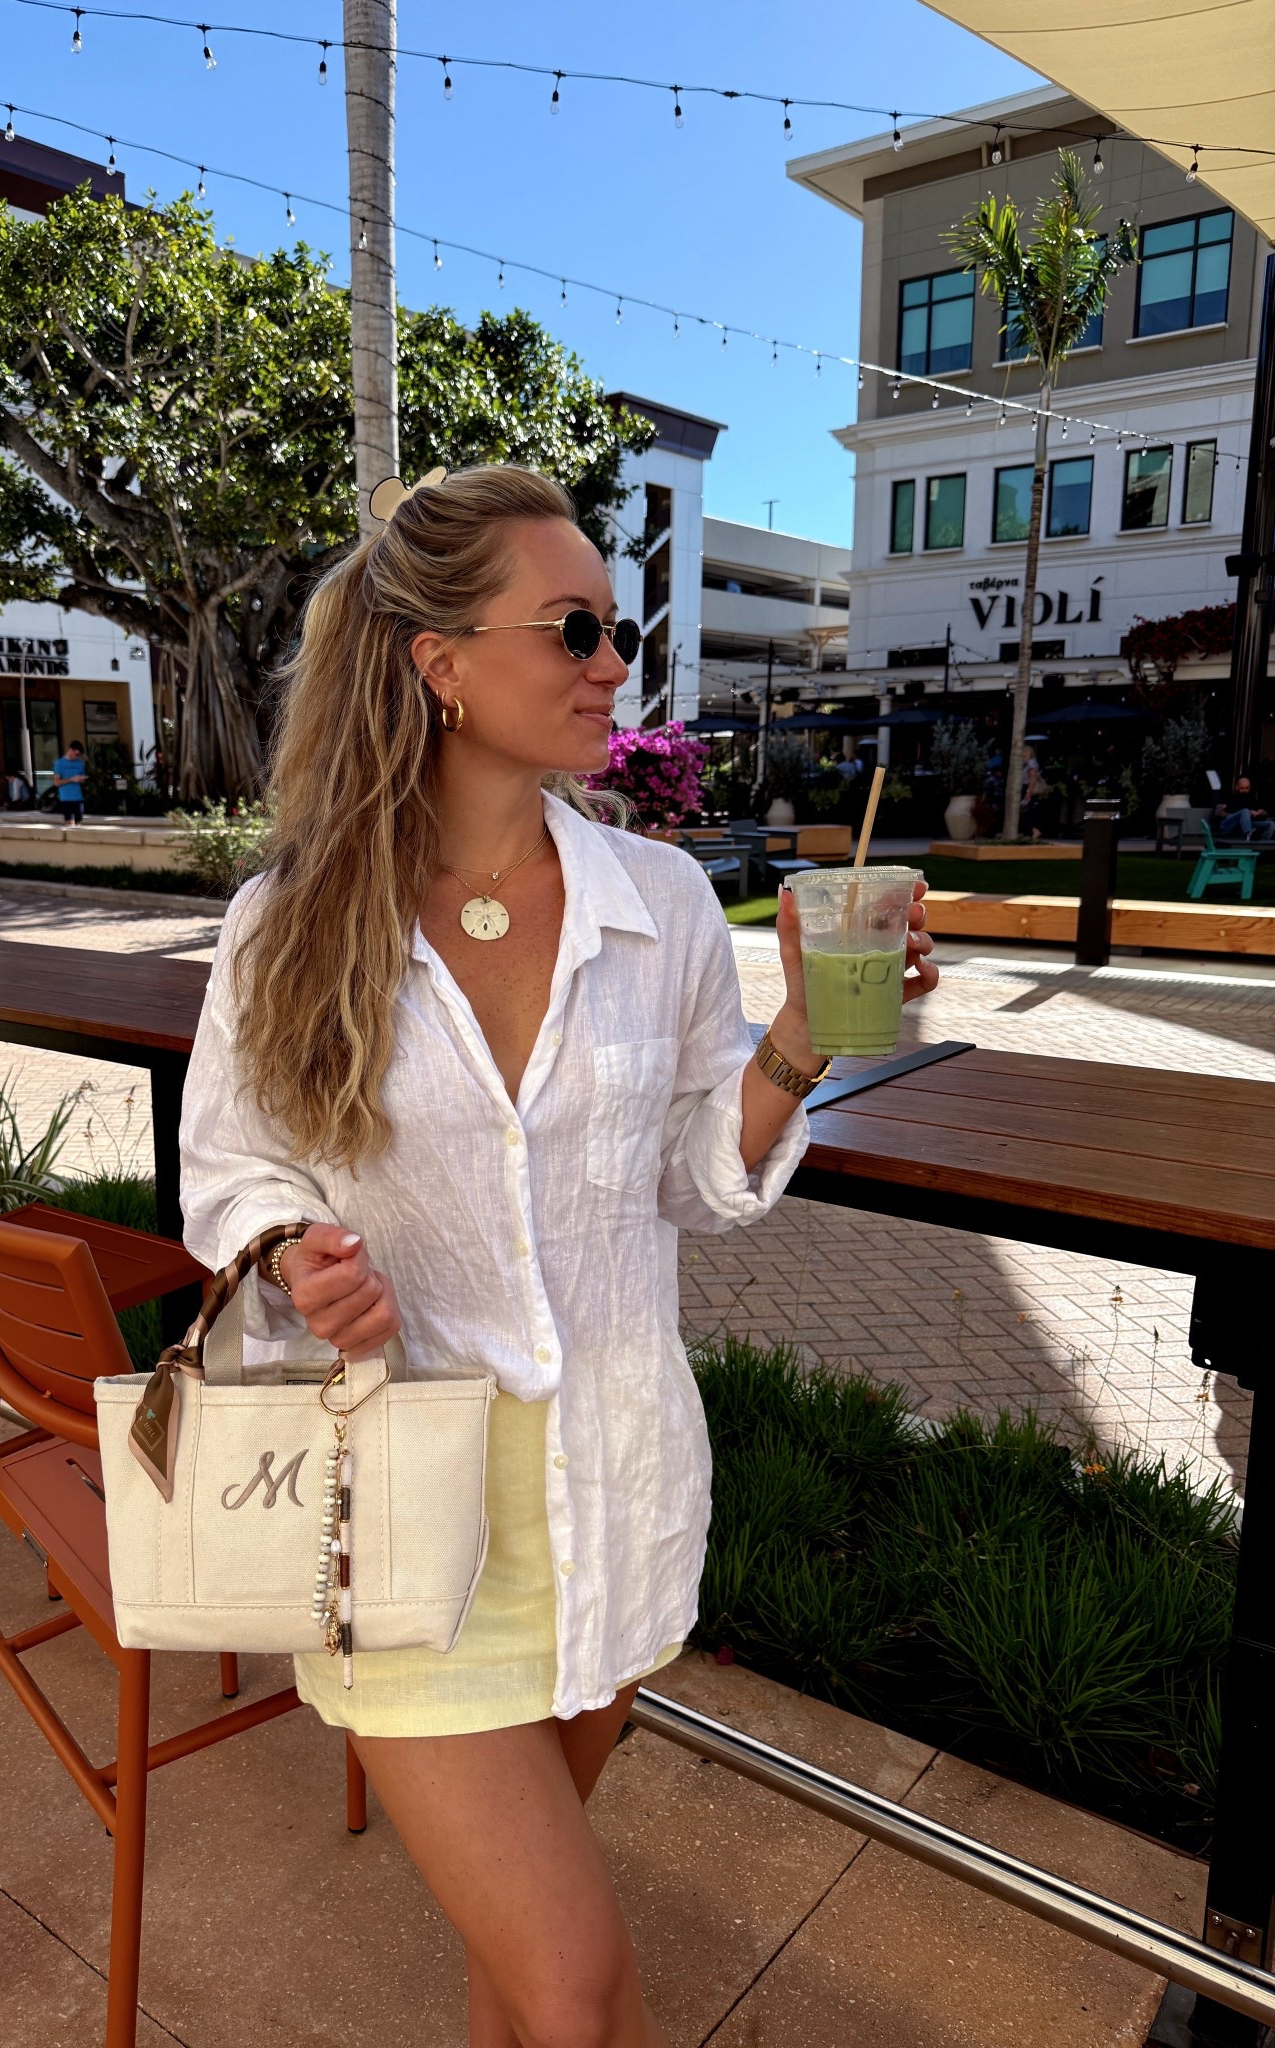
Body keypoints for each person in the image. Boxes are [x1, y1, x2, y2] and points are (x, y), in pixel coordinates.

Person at [178, 466, 937, 2047]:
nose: (615, 663)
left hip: (608, 1492)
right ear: (438, 662)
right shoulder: (292, 919)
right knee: (584, 1983)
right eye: (575, 627)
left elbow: (696, 1184)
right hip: (396, 1509)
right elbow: (231, 1166)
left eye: (621, 627)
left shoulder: (657, 903)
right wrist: (285, 1257)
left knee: (524, 1973)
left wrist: (795, 1042)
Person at [1215, 776, 1275, 843]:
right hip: (1229, 824)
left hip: (1246, 825)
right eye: (1242, 788)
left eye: (1246, 788)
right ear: (1237, 787)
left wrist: (1260, 812)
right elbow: (1220, 812)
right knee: (1245, 811)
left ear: (1249, 788)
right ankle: (1248, 834)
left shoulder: (1252, 799)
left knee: (1271, 824)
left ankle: (1262, 846)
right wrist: (1247, 813)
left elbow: (1262, 813)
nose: (1244, 790)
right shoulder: (1230, 797)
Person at [1018, 742, 1047, 839]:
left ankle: (1034, 830)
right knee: (1026, 812)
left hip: (1028, 788)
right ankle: (1030, 831)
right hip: (1025, 788)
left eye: (1024, 752)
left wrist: (1028, 792)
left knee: (1026, 811)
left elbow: (1033, 778)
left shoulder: (1031, 763)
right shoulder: (1026, 763)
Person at [52, 741, 86, 821]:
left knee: (79, 821)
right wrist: (71, 779)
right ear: (70, 750)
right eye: (76, 754)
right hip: (66, 798)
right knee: (69, 821)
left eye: (79, 755)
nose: (77, 757)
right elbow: (56, 782)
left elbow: (83, 780)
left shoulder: (80, 763)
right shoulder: (59, 763)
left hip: (78, 797)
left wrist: (80, 779)